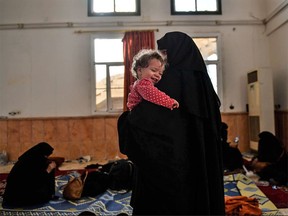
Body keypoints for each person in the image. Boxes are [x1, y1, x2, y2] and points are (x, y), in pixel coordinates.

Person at [118, 31, 225, 215]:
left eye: (165, 52)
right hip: (198, 158)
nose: (163, 59)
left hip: (172, 163)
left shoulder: (170, 79)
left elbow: (145, 120)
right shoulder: (203, 83)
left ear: (178, 51)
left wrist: (126, 122)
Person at [3, 142, 57, 207]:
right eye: (45, 156)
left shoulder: (32, 158)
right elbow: (35, 181)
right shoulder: (29, 163)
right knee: (42, 196)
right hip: (19, 196)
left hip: (25, 190)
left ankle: (50, 195)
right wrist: (49, 169)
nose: (46, 158)